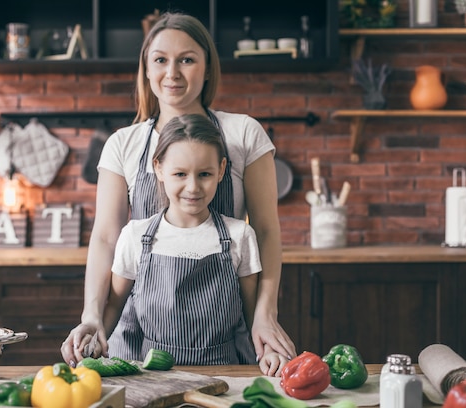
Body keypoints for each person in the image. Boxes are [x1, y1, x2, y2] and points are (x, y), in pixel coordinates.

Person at [61, 11, 296, 376]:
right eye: (160, 60)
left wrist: (265, 314)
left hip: (222, 339)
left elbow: (265, 231)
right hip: (138, 342)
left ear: (206, 69)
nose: (172, 73)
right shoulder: (124, 143)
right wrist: (93, 314)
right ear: (146, 69)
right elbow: (107, 236)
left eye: (187, 59)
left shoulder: (244, 134)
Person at [89, 114, 286, 373]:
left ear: (222, 170)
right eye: (180, 173)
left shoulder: (240, 236)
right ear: (159, 168)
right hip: (151, 376)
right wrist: (92, 335)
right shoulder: (135, 237)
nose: (193, 187)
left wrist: (268, 351)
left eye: (204, 174)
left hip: (225, 372)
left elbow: (253, 319)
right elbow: (112, 307)